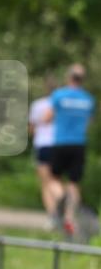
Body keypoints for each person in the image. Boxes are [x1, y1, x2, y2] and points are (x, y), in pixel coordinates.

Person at [44, 64, 95, 236]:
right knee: (74, 183)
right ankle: (70, 218)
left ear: (68, 77)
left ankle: (61, 199)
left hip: (61, 142)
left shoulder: (59, 95)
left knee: (52, 179)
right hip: (79, 144)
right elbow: (89, 123)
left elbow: (47, 118)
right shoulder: (88, 99)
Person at [27, 76, 56, 223]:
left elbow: (31, 129)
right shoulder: (61, 104)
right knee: (56, 180)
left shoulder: (37, 105)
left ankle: (53, 216)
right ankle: (66, 209)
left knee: (46, 183)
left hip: (43, 145)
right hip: (60, 145)